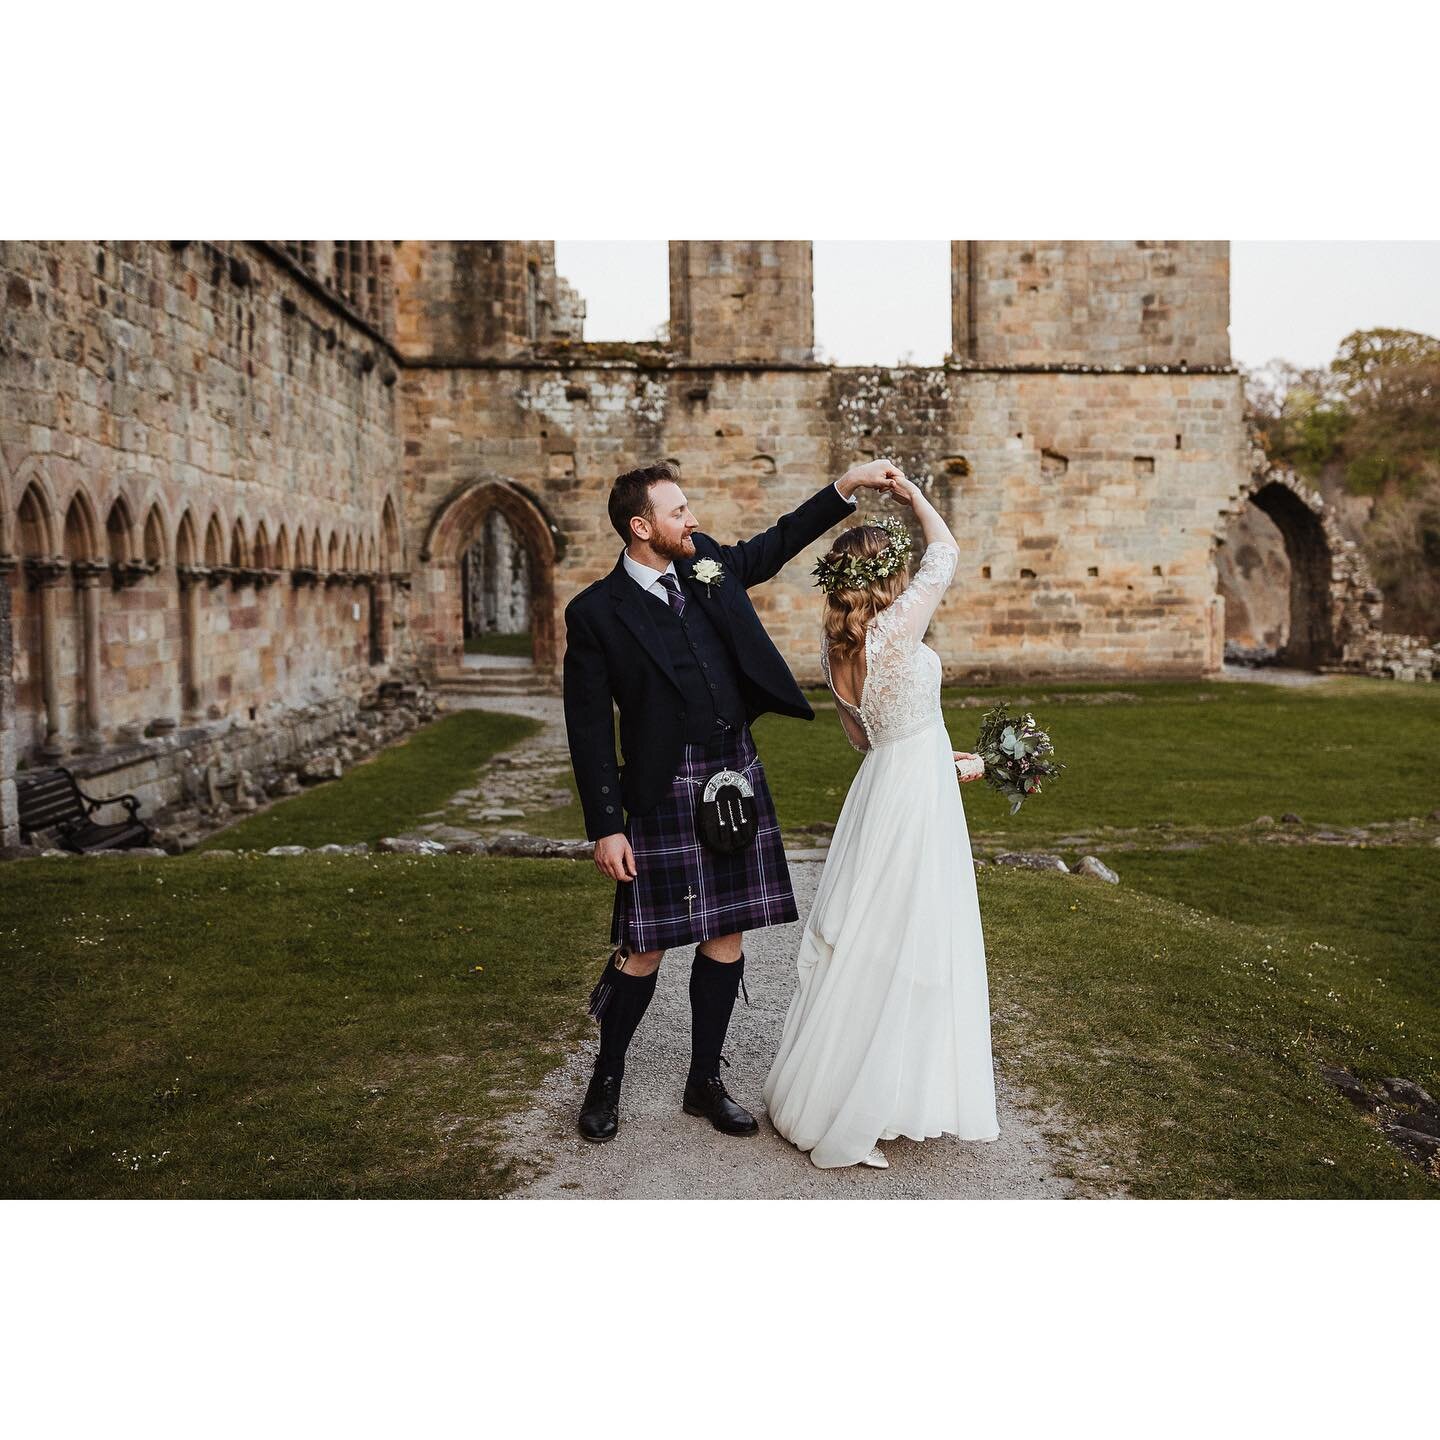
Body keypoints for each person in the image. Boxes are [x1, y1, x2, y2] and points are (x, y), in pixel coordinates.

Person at [562, 457, 904, 1143]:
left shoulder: (707, 564)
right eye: (677, 511)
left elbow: (777, 543)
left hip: (733, 774)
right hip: (662, 790)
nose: (692, 520)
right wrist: (607, 826)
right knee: (644, 944)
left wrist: (846, 486)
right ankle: (608, 1076)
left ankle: (704, 1081)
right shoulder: (597, 613)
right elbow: (589, 726)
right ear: (640, 526)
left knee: (725, 933)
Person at [762, 472, 1001, 1169]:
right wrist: (913, 495)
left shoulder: (836, 654)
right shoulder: (898, 627)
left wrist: (935, 748)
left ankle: (846, 1086)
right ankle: (874, 1097)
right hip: (914, 795)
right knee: (915, 935)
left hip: (885, 784)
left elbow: (866, 738)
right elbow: (947, 551)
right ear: (885, 573)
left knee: (871, 935)